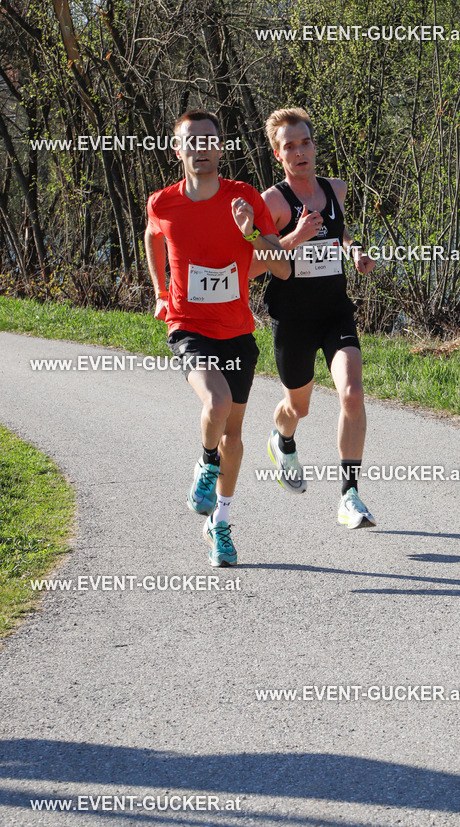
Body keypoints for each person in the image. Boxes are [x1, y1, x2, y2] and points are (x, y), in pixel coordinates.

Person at [145, 109, 289, 565]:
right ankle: (205, 465)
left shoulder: (244, 197)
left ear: (220, 148)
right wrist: (160, 291)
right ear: (178, 150)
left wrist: (250, 235)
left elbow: (283, 267)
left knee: (235, 434)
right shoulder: (162, 204)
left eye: (209, 141)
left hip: (237, 333)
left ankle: (220, 523)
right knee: (217, 404)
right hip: (188, 327)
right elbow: (152, 238)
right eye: (192, 141)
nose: (201, 149)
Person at [251, 107, 377, 529]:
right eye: (290, 146)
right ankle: (282, 438)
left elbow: (339, 231)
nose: (300, 152)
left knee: (353, 394)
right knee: (297, 407)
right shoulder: (271, 202)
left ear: (314, 145)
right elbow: (257, 262)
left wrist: (353, 249)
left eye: (305, 143)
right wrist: (294, 237)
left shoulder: (335, 189)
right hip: (293, 320)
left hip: (334, 313)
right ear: (278, 154)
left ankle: (349, 495)